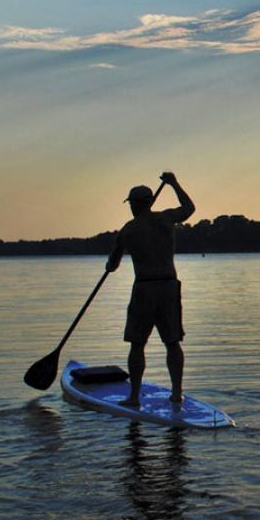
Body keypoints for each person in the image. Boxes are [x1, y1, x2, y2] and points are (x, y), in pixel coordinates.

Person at [106, 172, 195, 409]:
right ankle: (176, 394)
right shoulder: (166, 219)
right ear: (151, 202)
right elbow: (189, 207)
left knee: (137, 344)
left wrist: (111, 259)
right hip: (168, 285)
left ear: (135, 205)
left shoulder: (128, 230)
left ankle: (134, 397)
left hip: (144, 288)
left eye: (132, 204)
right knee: (172, 342)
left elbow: (112, 266)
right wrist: (175, 183)